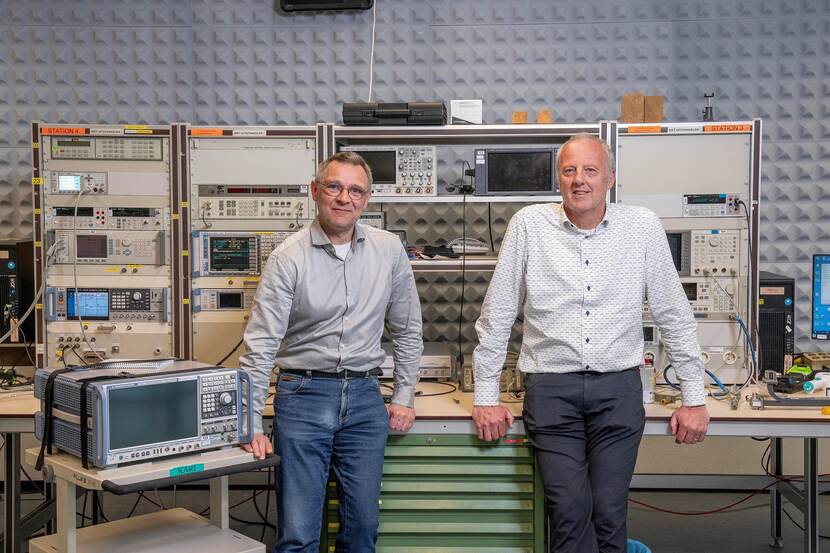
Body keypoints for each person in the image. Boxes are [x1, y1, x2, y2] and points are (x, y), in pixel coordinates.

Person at [471, 134, 709, 553]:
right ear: (558, 179)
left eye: (590, 170)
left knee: (608, 512)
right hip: (551, 391)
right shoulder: (528, 224)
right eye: (569, 170)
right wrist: (486, 394)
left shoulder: (642, 226)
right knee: (568, 510)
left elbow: (674, 313)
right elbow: (498, 312)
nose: (580, 180)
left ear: (610, 178)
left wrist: (694, 397)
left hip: (617, 389)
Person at [238, 151, 423, 553]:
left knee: (362, 530)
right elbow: (260, 345)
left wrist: (404, 395)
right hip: (303, 396)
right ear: (315, 192)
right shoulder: (288, 258)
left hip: (364, 398)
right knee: (299, 534)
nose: (344, 198)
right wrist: (249, 420)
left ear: (367, 199)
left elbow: (408, 330)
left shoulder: (389, 250)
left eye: (355, 190)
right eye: (334, 187)